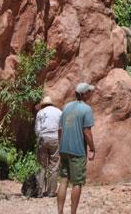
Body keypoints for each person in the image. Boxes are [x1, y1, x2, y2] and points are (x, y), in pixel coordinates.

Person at [57, 83, 95, 214]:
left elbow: (60, 129)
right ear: (84, 94)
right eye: (89, 92)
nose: (91, 94)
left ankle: (60, 211)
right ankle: (73, 212)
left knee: (63, 180)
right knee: (77, 183)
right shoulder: (86, 109)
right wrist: (92, 148)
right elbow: (87, 132)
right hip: (78, 151)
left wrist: (60, 144)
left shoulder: (66, 107)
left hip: (64, 149)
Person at [34, 95, 62, 197]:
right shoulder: (59, 112)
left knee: (41, 165)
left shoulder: (40, 113)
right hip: (55, 139)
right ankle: (50, 192)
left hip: (43, 138)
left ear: (43, 105)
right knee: (54, 166)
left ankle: (39, 192)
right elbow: (61, 128)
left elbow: (37, 129)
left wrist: (40, 138)